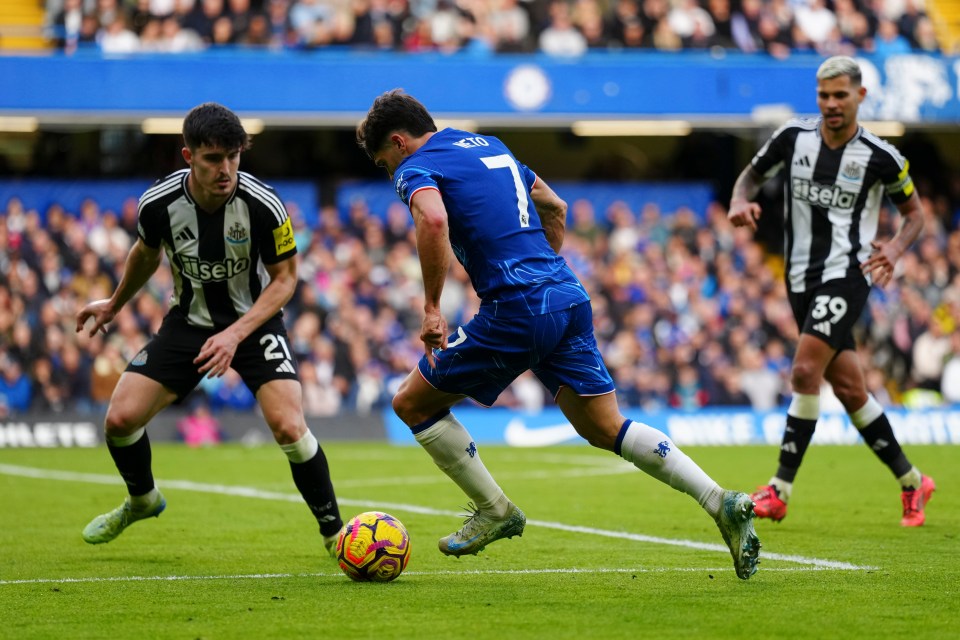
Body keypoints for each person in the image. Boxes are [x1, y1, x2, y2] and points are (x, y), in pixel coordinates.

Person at [356, 89, 761, 579]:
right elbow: (555, 206)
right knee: (604, 427)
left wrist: (432, 307)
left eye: (383, 162)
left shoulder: (414, 166)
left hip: (517, 307)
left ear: (399, 143)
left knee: (411, 404)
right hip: (567, 296)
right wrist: (543, 270)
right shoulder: (491, 146)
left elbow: (434, 217)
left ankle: (495, 510)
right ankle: (721, 501)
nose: (388, 172)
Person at [76, 102, 344, 553]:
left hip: (255, 323)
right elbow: (146, 254)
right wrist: (115, 304)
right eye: (213, 159)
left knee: (288, 426)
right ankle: (142, 499)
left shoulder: (264, 205)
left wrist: (236, 333)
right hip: (189, 322)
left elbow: (285, 281)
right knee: (119, 421)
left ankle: (336, 535)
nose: (226, 169)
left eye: (234, 156)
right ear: (188, 157)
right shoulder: (158, 204)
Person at [727, 55, 935, 527]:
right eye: (824, 95)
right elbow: (752, 175)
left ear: (860, 96)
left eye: (840, 95)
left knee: (804, 371)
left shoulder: (882, 157)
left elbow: (916, 215)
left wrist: (897, 249)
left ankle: (779, 489)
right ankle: (912, 481)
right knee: (849, 388)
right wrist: (741, 199)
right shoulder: (792, 138)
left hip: (847, 273)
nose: (831, 104)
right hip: (798, 278)